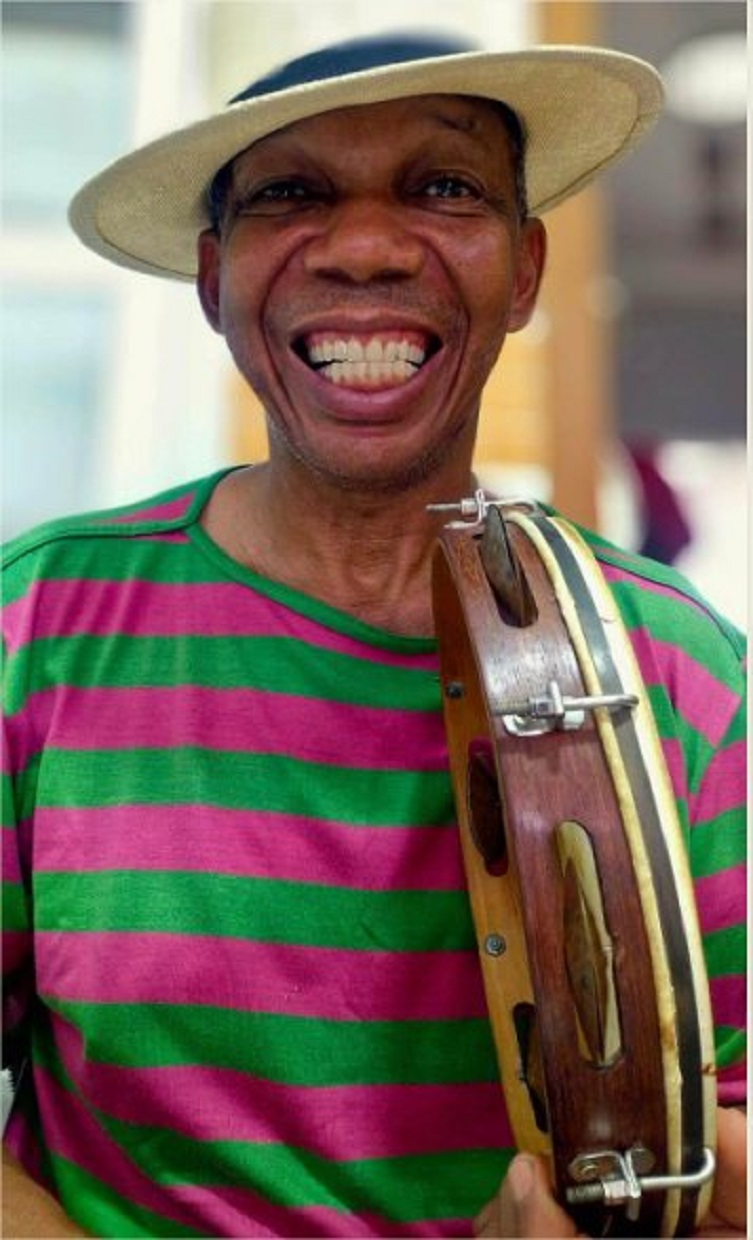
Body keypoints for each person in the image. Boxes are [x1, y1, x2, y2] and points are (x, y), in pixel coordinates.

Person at [2, 30, 746, 1239]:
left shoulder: (677, 674)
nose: (363, 247)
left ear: (524, 271)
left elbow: (725, 1142)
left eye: (442, 187)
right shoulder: (35, 625)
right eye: (290, 194)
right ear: (213, 281)